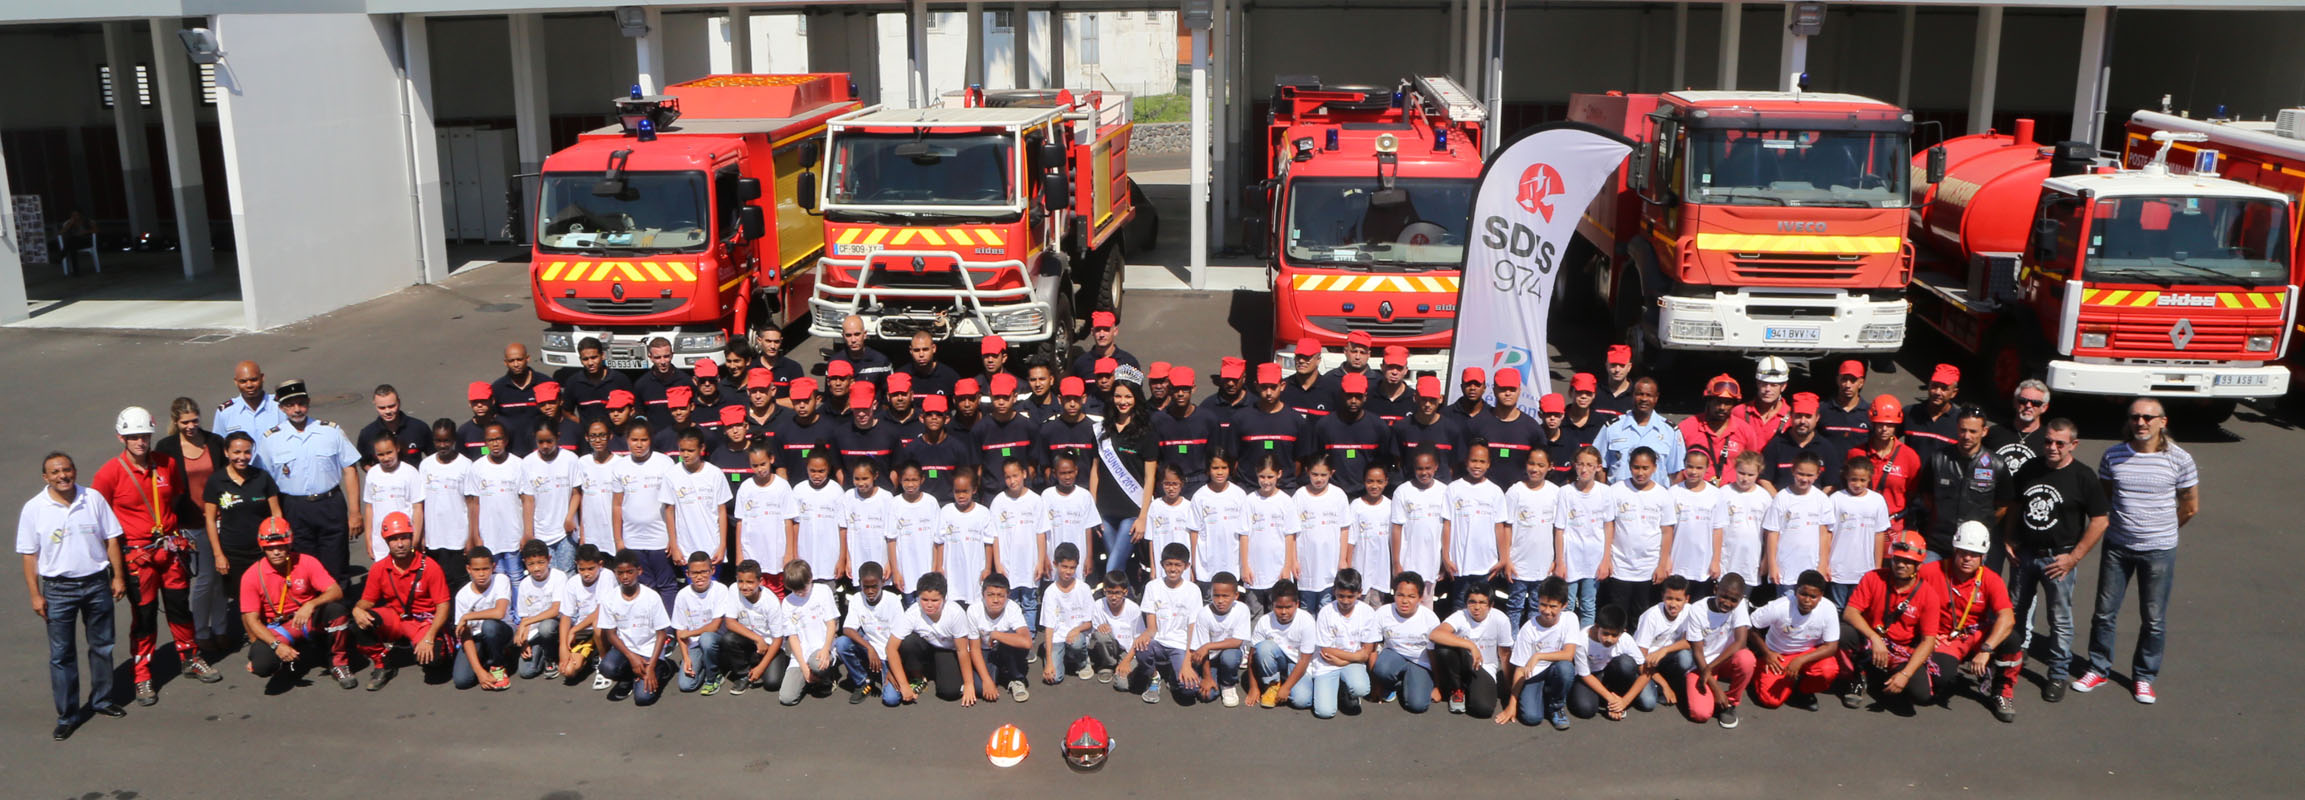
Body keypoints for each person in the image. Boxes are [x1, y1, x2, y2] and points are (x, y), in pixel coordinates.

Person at [93, 406, 207, 703]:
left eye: (144, 436)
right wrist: (112, 567)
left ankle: (190, 657)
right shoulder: (110, 473)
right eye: (133, 437)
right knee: (143, 618)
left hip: (170, 551)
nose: (141, 442)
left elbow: (177, 498)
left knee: (180, 607)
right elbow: (99, 519)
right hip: (137, 556)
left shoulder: (166, 464)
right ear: (122, 438)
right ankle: (142, 676)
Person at [18, 451, 128, 739]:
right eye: (55, 472)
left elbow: (111, 538)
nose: (62, 476)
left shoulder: (92, 499)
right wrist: (35, 594)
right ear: (45, 477)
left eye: (67, 470)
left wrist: (117, 576)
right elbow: (30, 556)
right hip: (57, 589)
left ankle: (102, 700)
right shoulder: (34, 508)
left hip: (96, 583)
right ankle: (68, 715)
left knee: (102, 645)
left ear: (75, 471)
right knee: (61, 655)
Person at [2009, 418, 2108, 703]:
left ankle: (2057, 674)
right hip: (2025, 554)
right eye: (2048, 441)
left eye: (2059, 443)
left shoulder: (2083, 476)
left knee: (2060, 619)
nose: (2052, 447)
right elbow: (2016, 505)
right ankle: (2010, 664)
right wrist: (2008, 538)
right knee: (2015, 613)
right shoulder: (2030, 468)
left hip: (2058, 559)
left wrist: (2074, 558)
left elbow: (2100, 521)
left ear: (2073, 445)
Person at [256, 379, 364, 583]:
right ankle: (311, 613)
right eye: (290, 405)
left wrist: (355, 512)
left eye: (301, 403)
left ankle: (339, 612)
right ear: (281, 408)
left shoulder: (330, 431)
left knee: (337, 565)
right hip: (294, 508)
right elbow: (264, 481)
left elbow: (350, 469)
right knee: (301, 568)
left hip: (329, 504)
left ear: (309, 402)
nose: (297, 409)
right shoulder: (271, 439)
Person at [240, 518, 357, 691]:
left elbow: (335, 591)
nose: (277, 552)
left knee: (337, 610)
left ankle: (339, 663)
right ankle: (282, 662)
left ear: (289, 545)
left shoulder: (306, 561)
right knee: (262, 665)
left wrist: (311, 604)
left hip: (307, 619)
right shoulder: (251, 576)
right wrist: (275, 645)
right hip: (279, 628)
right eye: (271, 548)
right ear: (262, 548)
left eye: (281, 546)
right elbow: (251, 620)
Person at [157, 399, 232, 660]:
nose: (190, 426)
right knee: (203, 579)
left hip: (219, 518)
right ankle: (201, 632)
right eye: (185, 422)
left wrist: (226, 507)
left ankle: (221, 628)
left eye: (194, 421)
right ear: (175, 422)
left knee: (223, 578)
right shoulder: (166, 448)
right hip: (190, 522)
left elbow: (225, 477)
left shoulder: (213, 441)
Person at [1836, 531, 1945, 712]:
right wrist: (1874, 638)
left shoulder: (1928, 595)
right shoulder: (1873, 578)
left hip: (1901, 650)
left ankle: (1887, 675)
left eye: (1908, 561)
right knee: (1842, 632)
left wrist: (1905, 674)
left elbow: (1928, 641)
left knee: (1921, 695)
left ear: (1918, 565)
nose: (1901, 565)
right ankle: (1857, 676)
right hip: (1871, 642)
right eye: (1897, 559)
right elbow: (1850, 612)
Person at [1926, 522, 2021, 721]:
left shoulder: (1991, 579)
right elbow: (1909, 599)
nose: (1968, 558)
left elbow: (2007, 617)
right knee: (1939, 680)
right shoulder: (1932, 572)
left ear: (1983, 556)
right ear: (1955, 549)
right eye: (1963, 552)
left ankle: (2002, 691)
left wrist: (1986, 649)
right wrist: (1924, 636)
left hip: (1977, 635)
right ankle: (1951, 672)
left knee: (2011, 639)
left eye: (1974, 554)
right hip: (1945, 639)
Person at [350, 512, 447, 691]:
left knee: (434, 662)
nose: (400, 544)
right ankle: (383, 664)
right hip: (397, 619)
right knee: (358, 623)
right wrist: (357, 609)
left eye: (404, 538)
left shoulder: (430, 567)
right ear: (387, 542)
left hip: (423, 622)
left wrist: (430, 636)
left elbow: (443, 605)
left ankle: (425, 645)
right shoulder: (379, 568)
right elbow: (367, 601)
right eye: (394, 539)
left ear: (412, 538)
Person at [204, 432, 282, 631]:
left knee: (270, 597)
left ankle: (275, 636)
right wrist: (218, 555)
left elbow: (276, 514)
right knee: (247, 605)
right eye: (236, 452)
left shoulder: (262, 478)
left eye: (247, 452)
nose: (242, 457)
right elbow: (211, 520)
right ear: (226, 452)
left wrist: (279, 545)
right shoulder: (216, 481)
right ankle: (257, 642)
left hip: (262, 552)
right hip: (233, 553)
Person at [1919, 406, 2014, 561]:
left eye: (1973, 431)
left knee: (1969, 586)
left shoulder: (1997, 464)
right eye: (1963, 430)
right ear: (1957, 428)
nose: (1967, 436)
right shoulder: (1938, 459)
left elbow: (2002, 507)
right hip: (1938, 544)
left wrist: (1982, 526)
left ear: (1984, 432)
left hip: (1973, 548)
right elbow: (1927, 496)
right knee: (1929, 583)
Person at [1748, 570, 1841, 710]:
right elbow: (1750, 626)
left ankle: (1803, 691)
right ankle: (1761, 673)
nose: (1807, 600)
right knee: (1770, 701)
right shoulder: (1779, 606)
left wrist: (1800, 660)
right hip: (1778, 656)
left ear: (1821, 595)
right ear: (1796, 591)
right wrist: (1767, 653)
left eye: (1813, 596)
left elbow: (1831, 647)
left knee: (1828, 670)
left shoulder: (1828, 609)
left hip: (1807, 654)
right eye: (1803, 594)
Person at [1494, 576, 1578, 729]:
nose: (1547, 611)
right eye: (1543, 605)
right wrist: (1512, 703)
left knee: (1566, 668)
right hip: (1533, 674)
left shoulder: (1570, 619)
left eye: (1553, 606)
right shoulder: (1528, 629)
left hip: (1556, 669)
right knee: (1531, 718)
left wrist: (1538, 656)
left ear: (1564, 605)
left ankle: (1556, 706)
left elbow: (1568, 654)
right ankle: (1542, 694)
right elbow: (1520, 669)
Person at [612, 426, 684, 604]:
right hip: (632, 539)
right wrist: (619, 540)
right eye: (634, 440)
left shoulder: (665, 463)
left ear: (651, 440)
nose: (639, 444)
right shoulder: (619, 467)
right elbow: (617, 505)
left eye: (643, 440)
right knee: (644, 587)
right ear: (627, 440)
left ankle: (668, 630)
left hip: (660, 539)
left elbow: (672, 505)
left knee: (667, 585)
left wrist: (672, 539)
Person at [1092, 381, 1156, 577]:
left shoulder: (1146, 431)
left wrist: (1143, 517)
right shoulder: (1102, 430)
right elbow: (1095, 470)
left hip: (1132, 512)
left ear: (1136, 398)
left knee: (1113, 568)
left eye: (1128, 396)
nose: (1123, 401)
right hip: (1105, 512)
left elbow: (1150, 476)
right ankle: (1127, 603)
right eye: (1118, 396)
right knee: (1117, 567)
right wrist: (1093, 510)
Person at [1604, 446, 1677, 616]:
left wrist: (1662, 563)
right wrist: (1607, 559)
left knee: (1642, 616)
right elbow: (1609, 526)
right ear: (1630, 467)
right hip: (1620, 567)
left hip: (1649, 569)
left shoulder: (1662, 494)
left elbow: (1667, 531)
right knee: (1618, 615)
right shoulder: (1616, 490)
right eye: (1636, 467)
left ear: (1654, 468)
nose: (1640, 472)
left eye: (1645, 468)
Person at [596, 549, 675, 705]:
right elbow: (611, 634)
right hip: (626, 651)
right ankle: (628, 676)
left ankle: (662, 668)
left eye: (629, 572)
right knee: (607, 667)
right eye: (620, 573)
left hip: (649, 652)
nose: (625, 577)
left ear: (639, 571)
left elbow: (661, 634)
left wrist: (651, 666)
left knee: (643, 698)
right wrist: (632, 657)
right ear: (615, 573)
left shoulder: (652, 597)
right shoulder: (609, 599)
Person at [888, 571, 980, 704]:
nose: (929, 605)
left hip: (947, 650)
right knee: (908, 642)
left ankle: (936, 670)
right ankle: (917, 676)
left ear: (944, 598)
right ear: (918, 597)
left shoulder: (955, 613)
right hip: (925, 646)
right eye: (924, 600)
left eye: (935, 600)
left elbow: (962, 650)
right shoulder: (913, 612)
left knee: (950, 692)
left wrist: (969, 684)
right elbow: (891, 648)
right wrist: (904, 685)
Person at [1677, 573, 1754, 727]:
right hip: (1700, 665)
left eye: (1734, 600)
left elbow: (1740, 642)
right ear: (1715, 589)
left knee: (1747, 659)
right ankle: (1711, 696)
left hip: (1720, 663)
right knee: (1700, 714)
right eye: (1724, 596)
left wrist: (1710, 669)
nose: (1727, 603)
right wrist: (1715, 686)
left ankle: (1730, 703)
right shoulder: (1698, 610)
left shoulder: (1739, 606)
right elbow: (1697, 651)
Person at [1303, 567, 1380, 718]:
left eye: (1350, 597)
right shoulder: (1326, 612)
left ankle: (1346, 689)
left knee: (1361, 688)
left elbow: (1367, 652)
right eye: (1341, 596)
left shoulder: (1367, 612)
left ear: (1360, 593)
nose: (1345, 601)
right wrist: (1355, 656)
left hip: (1349, 663)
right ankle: (1333, 689)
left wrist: (1343, 661)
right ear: (1334, 591)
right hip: (1327, 664)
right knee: (1324, 712)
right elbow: (1325, 650)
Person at [1430, 577, 1513, 717]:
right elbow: (1435, 634)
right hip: (1464, 661)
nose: (1476, 607)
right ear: (1466, 603)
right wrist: (1470, 645)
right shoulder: (1460, 616)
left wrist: (1509, 688)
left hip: (1485, 667)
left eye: (1482, 603)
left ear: (1491, 605)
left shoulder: (1501, 619)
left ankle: (1469, 686)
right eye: (1472, 602)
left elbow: (1505, 655)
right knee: (1444, 648)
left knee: (1483, 709)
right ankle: (1456, 690)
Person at [1135, 542, 1205, 704]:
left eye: (1178, 565)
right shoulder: (1153, 587)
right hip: (1158, 642)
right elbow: (1152, 628)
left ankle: (1176, 673)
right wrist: (1144, 635)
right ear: (1162, 565)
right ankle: (1154, 677)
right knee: (1141, 646)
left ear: (1186, 566)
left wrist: (1187, 663)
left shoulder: (1193, 590)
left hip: (1180, 646)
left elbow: (1192, 629)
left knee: (1190, 690)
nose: (1173, 569)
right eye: (1169, 564)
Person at [1501, 450, 1561, 629]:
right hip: (1518, 563)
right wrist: (1507, 559)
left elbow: (1559, 530)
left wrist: (1557, 559)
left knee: (1538, 606)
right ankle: (1511, 643)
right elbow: (1507, 527)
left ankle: (1533, 640)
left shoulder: (1555, 492)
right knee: (1515, 605)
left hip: (1543, 564)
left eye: (1541, 465)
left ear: (1550, 467)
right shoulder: (1515, 491)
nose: (1535, 469)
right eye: (1532, 464)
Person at [1555, 446, 1615, 625]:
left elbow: (1608, 527)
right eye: (1580, 464)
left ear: (1598, 467)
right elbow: (1559, 529)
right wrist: (1560, 562)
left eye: (1590, 465)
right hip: (1570, 558)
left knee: (1589, 604)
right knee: (1567, 605)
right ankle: (1566, 645)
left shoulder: (1605, 492)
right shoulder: (1566, 492)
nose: (1584, 469)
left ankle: (1582, 646)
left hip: (1594, 558)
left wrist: (1606, 560)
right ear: (1574, 465)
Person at [1442, 445, 1504, 616]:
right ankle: (1457, 642)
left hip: (1486, 565)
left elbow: (1500, 527)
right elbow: (1447, 524)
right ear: (1466, 462)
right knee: (1459, 606)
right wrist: (1446, 557)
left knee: (1483, 607)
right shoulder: (1453, 488)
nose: (1477, 465)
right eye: (1474, 460)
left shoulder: (1495, 491)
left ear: (1489, 464)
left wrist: (1504, 557)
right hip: (1460, 564)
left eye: (1482, 461)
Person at [1762, 453, 1834, 598]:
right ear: (1793, 471)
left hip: (1811, 567)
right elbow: (1772, 533)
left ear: (1817, 475)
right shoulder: (1782, 498)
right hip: (1785, 569)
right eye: (1800, 474)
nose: (1804, 479)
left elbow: (1825, 534)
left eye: (1809, 475)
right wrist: (1772, 566)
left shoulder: (1821, 499)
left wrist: (1823, 565)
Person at [1821, 459, 1892, 606]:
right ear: (1846, 477)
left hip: (1864, 569)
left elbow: (1879, 535)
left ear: (1869, 479)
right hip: (1838, 569)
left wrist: (1877, 567)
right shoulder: (1836, 499)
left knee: (1858, 609)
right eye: (1853, 479)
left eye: (1862, 480)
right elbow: (1827, 533)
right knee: (1838, 608)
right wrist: (1825, 563)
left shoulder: (1877, 500)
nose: (1858, 484)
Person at [1568, 604, 1656, 720]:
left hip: (1615, 673)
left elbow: (1645, 672)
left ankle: (1616, 698)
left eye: (1615, 635)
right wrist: (1611, 699)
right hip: (1592, 675)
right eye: (1605, 634)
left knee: (1648, 702)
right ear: (1596, 627)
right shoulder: (1581, 640)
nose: (1609, 639)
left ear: (1623, 632)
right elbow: (1585, 675)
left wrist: (1624, 701)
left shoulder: (1626, 639)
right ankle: (1608, 699)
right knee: (1586, 709)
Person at [1370, 572, 1443, 713]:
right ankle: (1393, 682)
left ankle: (1409, 682)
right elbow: (1372, 649)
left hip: (1420, 662)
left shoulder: (1430, 618)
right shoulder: (1383, 613)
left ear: (1420, 598)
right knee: (1382, 668)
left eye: (1411, 596)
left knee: (1417, 705)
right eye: (1400, 595)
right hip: (1394, 656)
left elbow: (1434, 655)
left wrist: (1438, 686)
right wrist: (1376, 685)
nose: (1405, 601)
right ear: (1394, 595)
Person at [464, 423, 526, 587]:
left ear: (505, 440)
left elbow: (526, 500)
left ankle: (518, 612)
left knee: (515, 576)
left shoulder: (518, 465)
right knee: (497, 579)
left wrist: (526, 532)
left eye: (498, 439)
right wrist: (475, 534)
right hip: (489, 535)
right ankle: (501, 612)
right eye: (490, 440)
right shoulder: (477, 467)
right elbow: (474, 504)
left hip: (513, 533)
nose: (495, 443)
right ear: (485, 442)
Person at [716, 558, 789, 697]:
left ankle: (766, 663)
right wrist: (757, 638)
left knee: (772, 683)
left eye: (750, 582)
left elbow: (778, 639)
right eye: (740, 581)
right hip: (750, 640)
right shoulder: (733, 590)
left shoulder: (770, 602)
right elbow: (730, 622)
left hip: (770, 645)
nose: (744, 587)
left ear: (760, 582)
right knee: (728, 639)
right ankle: (743, 674)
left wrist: (760, 669)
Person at [835, 560, 906, 704]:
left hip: (889, 654)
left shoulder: (892, 601)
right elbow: (847, 628)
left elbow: (900, 638)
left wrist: (893, 668)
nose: (870, 591)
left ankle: (895, 674)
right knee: (841, 643)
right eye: (865, 587)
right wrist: (869, 648)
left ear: (883, 582)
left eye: (874, 586)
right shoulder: (857, 599)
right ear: (860, 583)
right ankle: (863, 681)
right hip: (869, 648)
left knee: (891, 700)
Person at [1238, 455, 1300, 614]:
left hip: (1278, 570)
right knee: (1255, 613)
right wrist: (1245, 566)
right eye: (1262, 477)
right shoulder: (1250, 501)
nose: (1266, 481)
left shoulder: (1286, 501)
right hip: (1255, 572)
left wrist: (1287, 567)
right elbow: (1243, 535)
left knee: (1278, 613)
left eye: (1270, 476)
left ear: (1279, 474)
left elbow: (1290, 537)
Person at [1848, 395, 1920, 531]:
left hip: (1893, 526)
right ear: (1873, 423)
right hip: (1859, 523)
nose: (1884, 429)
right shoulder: (1856, 453)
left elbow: (1912, 492)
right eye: (1880, 423)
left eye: (1890, 425)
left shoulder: (1909, 457)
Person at [668, 432, 732, 578]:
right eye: (682, 450)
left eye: (690, 450)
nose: (685, 454)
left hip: (712, 547)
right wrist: (674, 546)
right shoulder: (671, 475)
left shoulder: (715, 474)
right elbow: (669, 511)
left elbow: (721, 511)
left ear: (701, 448)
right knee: (694, 590)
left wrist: (722, 546)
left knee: (713, 589)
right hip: (686, 549)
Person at [449, 547, 514, 690]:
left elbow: (499, 613)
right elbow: (465, 635)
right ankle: (485, 661)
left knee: (489, 626)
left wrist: (467, 616)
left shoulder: (501, 580)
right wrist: (479, 672)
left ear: (493, 567)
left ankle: (498, 664)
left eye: (486, 569)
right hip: (477, 637)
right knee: (462, 681)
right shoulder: (462, 595)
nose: (482, 574)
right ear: (468, 569)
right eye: (476, 570)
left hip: (501, 631)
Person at [667, 552, 733, 695]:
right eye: (695, 573)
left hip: (716, 640)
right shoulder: (682, 595)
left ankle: (714, 675)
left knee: (707, 639)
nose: (699, 576)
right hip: (694, 644)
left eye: (704, 572)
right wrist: (686, 658)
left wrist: (689, 633)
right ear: (688, 573)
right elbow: (680, 631)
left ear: (712, 571)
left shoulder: (720, 590)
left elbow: (714, 626)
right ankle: (705, 663)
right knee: (686, 685)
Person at [1237, 363, 1311, 488]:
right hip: (1249, 488)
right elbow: (1234, 458)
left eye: (1273, 387)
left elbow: (1300, 460)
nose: (1269, 392)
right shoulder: (1241, 418)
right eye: (1264, 387)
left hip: (1285, 488)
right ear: (1256, 386)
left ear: (1282, 386)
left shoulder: (1296, 420)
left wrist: (1286, 480)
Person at [419, 420, 474, 588]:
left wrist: (471, 537)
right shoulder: (426, 465)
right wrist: (421, 535)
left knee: (459, 582)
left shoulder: (466, 465)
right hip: (433, 537)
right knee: (437, 582)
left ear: (454, 439)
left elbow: (471, 504)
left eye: (446, 440)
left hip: (457, 537)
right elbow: (420, 504)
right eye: (438, 440)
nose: (442, 445)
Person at [1593, 378, 1683, 482]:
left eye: (1649, 395)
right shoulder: (1612, 428)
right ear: (1633, 395)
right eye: (1640, 394)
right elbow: (1599, 468)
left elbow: (1676, 473)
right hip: (1619, 496)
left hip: (1655, 497)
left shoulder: (1670, 432)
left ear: (1656, 398)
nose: (1644, 399)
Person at [1246, 579, 1317, 709]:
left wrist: (1287, 687)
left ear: (1297, 604)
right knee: (1263, 647)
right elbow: (1251, 656)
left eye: (1288, 607)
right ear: (1272, 605)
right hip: (1278, 660)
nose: (1284, 612)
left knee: (1302, 701)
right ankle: (1273, 683)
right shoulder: (1264, 621)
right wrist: (1253, 687)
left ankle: (1285, 682)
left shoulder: (1307, 621)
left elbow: (1304, 660)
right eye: (1279, 607)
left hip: (1298, 664)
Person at [522, 421, 583, 572]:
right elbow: (528, 500)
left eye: (549, 441)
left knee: (566, 573)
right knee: (547, 575)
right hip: (541, 531)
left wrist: (569, 518)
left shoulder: (570, 459)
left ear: (558, 437)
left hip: (565, 532)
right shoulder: (528, 462)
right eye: (540, 441)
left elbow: (576, 492)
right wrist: (529, 533)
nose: (545, 446)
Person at [1291, 459, 1352, 612]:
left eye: (1323, 475)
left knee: (1326, 607)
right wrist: (1293, 560)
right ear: (1307, 472)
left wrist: (1342, 559)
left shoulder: (1338, 495)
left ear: (1331, 473)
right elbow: (1291, 532)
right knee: (1306, 607)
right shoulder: (1300, 495)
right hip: (1306, 566)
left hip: (1330, 564)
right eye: (1315, 474)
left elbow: (1344, 529)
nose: (1319, 479)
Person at [1185, 573, 1253, 706]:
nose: (1220, 600)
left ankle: (1228, 684)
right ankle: (1214, 675)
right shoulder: (1204, 614)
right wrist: (1207, 677)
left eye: (1225, 596)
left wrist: (1208, 646)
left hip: (1229, 653)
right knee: (1206, 695)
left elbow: (1237, 641)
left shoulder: (1242, 610)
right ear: (1211, 595)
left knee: (1230, 657)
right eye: (1216, 595)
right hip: (1209, 658)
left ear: (1236, 596)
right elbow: (1201, 650)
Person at [967, 573, 1036, 703]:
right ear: (983, 595)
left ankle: (1016, 679)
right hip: (985, 651)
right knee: (980, 688)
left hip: (1006, 648)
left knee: (1013, 639)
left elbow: (1027, 643)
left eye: (1000, 595)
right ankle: (1000, 675)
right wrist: (987, 681)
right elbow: (974, 649)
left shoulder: (1012, 608)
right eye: (991, 595)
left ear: (1007, 596)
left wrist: (996, 634)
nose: (996, 600)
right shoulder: (973, 610)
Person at [1391, 450, 1448, 605]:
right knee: (1405, 603)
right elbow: (1396, 528)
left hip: (1432, 562)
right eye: (1419, 469)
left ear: (1436, 467)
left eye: (1428, 468)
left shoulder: (1444, 491)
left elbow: (1447, 529)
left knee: (1427, 603)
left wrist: (1445, 559)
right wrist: (1396, 562)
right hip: (1407, 562)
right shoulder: (1402, 491)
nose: (1424, 473)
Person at [1679, 375, 1761, 484]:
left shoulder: (1745, 430)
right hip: (1695, 492)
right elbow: (1676, 466)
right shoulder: (1687, 427)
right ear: (1708, 401)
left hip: (1733, 493)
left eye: (1727, 403)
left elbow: (1753, 464)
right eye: (1717, 401)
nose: (1722, 407)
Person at [1314, 373, 1387, 494]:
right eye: (1349, 396)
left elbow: (1383, 462)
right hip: (1332, 493)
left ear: (1365, 397)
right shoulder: (1324, 425)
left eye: (1358, 396)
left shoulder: (1378, 426)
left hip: (1366, 494)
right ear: (1342, 395)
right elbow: (1317, 459)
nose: (1353, 401)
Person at [1038, 543, 1098, 685]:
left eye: (1072, 568)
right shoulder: (1050, 592)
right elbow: (1049, 628)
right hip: (1057, 637)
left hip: (1076, 635)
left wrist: (1076, 630)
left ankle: (1082, 661)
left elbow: (1089, 622)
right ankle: (1060, 656)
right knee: (1054, 678)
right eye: (1064, 567)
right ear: (1055, 565)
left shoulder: (1083, 588)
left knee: (1076, 643)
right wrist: (1049, 663)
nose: (1068, 571)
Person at [1715, 451, 1772, 599]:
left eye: (1750, 475)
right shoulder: (1723, 493)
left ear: (1759, 473)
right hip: (1726, 559)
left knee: (1742, 601)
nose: (1745, 478)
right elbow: (1716, 528)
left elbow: (1769, 532)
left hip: (1750, 560)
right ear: (1735, 469)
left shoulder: (1764, 497)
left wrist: (1766, 560)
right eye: (1741, 473)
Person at [361, 434, 424, 569]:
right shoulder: (373, 474)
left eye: (389, 452)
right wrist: (368, 538)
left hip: (404, 539)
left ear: (397, 448)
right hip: (381, 540)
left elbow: (417, 508)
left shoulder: (410, 473)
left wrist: (416, 539)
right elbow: (369, 508)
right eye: (381, 454)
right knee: (384, 577)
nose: (386, 458)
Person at [1470, 371, 1542, 487]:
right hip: (1482, 495)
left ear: (1519, 390)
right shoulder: (1476, 425)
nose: (1508, 393)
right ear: (1494, 390)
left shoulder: (1533, 429)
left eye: (1512, 389)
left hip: (1520, 497)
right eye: (1503, 389)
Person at [557, 545, 615, 687]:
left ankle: (604, 661)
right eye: (582, 569)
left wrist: (573, 630)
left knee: (597, 624)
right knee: (568, 671)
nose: (586, 573)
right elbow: (566, 616)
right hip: (584, 633)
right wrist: (563, 648)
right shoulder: (572, 583)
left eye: (591, 569)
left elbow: (600, 611)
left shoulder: (607, 576)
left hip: (605, 629)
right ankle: (591, 653)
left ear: (600, 565)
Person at [1388, 377, 1464, 485]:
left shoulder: (1452, 429)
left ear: (1441, 399)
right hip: (1410, 488)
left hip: (1442, 490)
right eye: (1424, 399)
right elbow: (1398, 461)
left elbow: (1454, 465)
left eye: (1432, 399)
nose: (1428, 404)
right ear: (1415, 398)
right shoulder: (1402, 427)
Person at [901, 394, 975, 505]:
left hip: (951, 505)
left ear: (947, 419)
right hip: (920, 504)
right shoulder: (912, 449)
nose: (934, 418)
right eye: (929, 414)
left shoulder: (958, 448)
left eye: (939, 415)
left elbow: (967, 479)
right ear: (922, 418)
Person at [1666, 450, 1721, 598]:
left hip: (1702, 566)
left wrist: (1716, 561)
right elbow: (1667, 530)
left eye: (1699, 468)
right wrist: (1666, 558)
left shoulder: (1715, 495)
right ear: (1684, 465)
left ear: (1706, 468)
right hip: (1676, 564)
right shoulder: (1673, 493)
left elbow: (1717, 530)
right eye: (1690, 466)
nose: (1693, 472)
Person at [1764, 393, 1845, 492]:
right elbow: (1764, 479)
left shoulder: (1826, 448)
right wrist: (1779, 500)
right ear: (1791, 416)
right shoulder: (1776, 445)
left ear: (1817, 418)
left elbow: (1831, 484)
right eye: (1798, 416)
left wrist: (1818, 504)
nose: (1803, 421)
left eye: (1808, 416)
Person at [511, 541, 567, 680]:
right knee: (526, 672)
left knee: (546, 627)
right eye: (531, 564)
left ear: (549, 559)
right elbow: (524, 617)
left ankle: (551, 657)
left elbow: (555, 610)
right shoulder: (524, 584)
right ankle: (541, 650)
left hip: (556, 626)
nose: (536, 568)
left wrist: (526, 623)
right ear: (524, 563)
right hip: (535, 631)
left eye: (541, 562)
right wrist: (524, 641)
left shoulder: (559, 577)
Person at [556, 338, 635, 425]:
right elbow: (567, 412)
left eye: (594, 357)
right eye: (585, 359)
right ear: (580, 360)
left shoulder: (619, 380)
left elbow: (632, 408)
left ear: (603, 355)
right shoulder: (573, 382)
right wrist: (584, 427)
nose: (590, 363)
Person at [1348, 465, 1395, 603]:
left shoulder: (1390, 506)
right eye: (1370, 481)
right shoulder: (1356, 506)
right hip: (1360, 569)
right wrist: (1348, 566)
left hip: (1381, 572)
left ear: (1386, 482)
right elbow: (1350, 539)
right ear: (1364, 481)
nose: (1375, 486)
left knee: (1377, 607)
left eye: (1379, 481)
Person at [1987, 380, 2052, 479]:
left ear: (2044, 408)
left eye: (2036, 403)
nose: (2028, 406)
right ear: (2015, 402)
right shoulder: (1994, 433)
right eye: (2023, 401)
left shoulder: (2049, 440)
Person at [1903, 364, 1964, 464]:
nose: (1937, 392)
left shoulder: (1960, 421)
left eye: (1944, 388)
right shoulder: (1910, 412)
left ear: (1954, 393)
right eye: (1934, 386)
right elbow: (1890, 438)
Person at [492, 343, 545, 455]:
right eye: (511, 361)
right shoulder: (497, 388)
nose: (516, 364)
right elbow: (492, 419)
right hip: (509, 454)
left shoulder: (545, 383)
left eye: (519, 359)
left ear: (528, 358)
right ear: (505, 362)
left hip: (541, 452)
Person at [213, 361, 286, 441]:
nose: (249, 385)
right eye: (243, 381)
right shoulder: (225, 413)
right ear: (236, 382)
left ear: (262, 378)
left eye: (254, 380)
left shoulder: (280, 406)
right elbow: (218, 445)